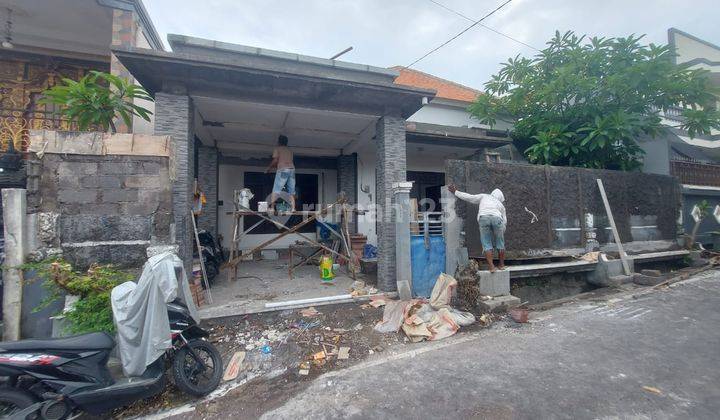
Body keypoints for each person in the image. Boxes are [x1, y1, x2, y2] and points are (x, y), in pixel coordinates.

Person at [447, 184, 506, 272]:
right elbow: (504, 222)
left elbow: (469, 197)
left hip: (484, 217)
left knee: (486, 244)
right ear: (500, 198)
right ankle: (501, 265)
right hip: (497, 218)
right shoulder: (501, 205)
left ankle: (491, 267)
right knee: (500, 243)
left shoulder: (484, 196)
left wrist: (456, 192)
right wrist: (501, 234)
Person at [266, 135, 295, 212]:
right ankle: (293, 208)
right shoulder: (290, 150)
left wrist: (269, 168)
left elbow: (275, 160)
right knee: (291, 190)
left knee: (276, 189)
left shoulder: (278, 149)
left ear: (279, 141)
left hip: (283, 170)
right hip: (292, 170)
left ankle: (272, 208)